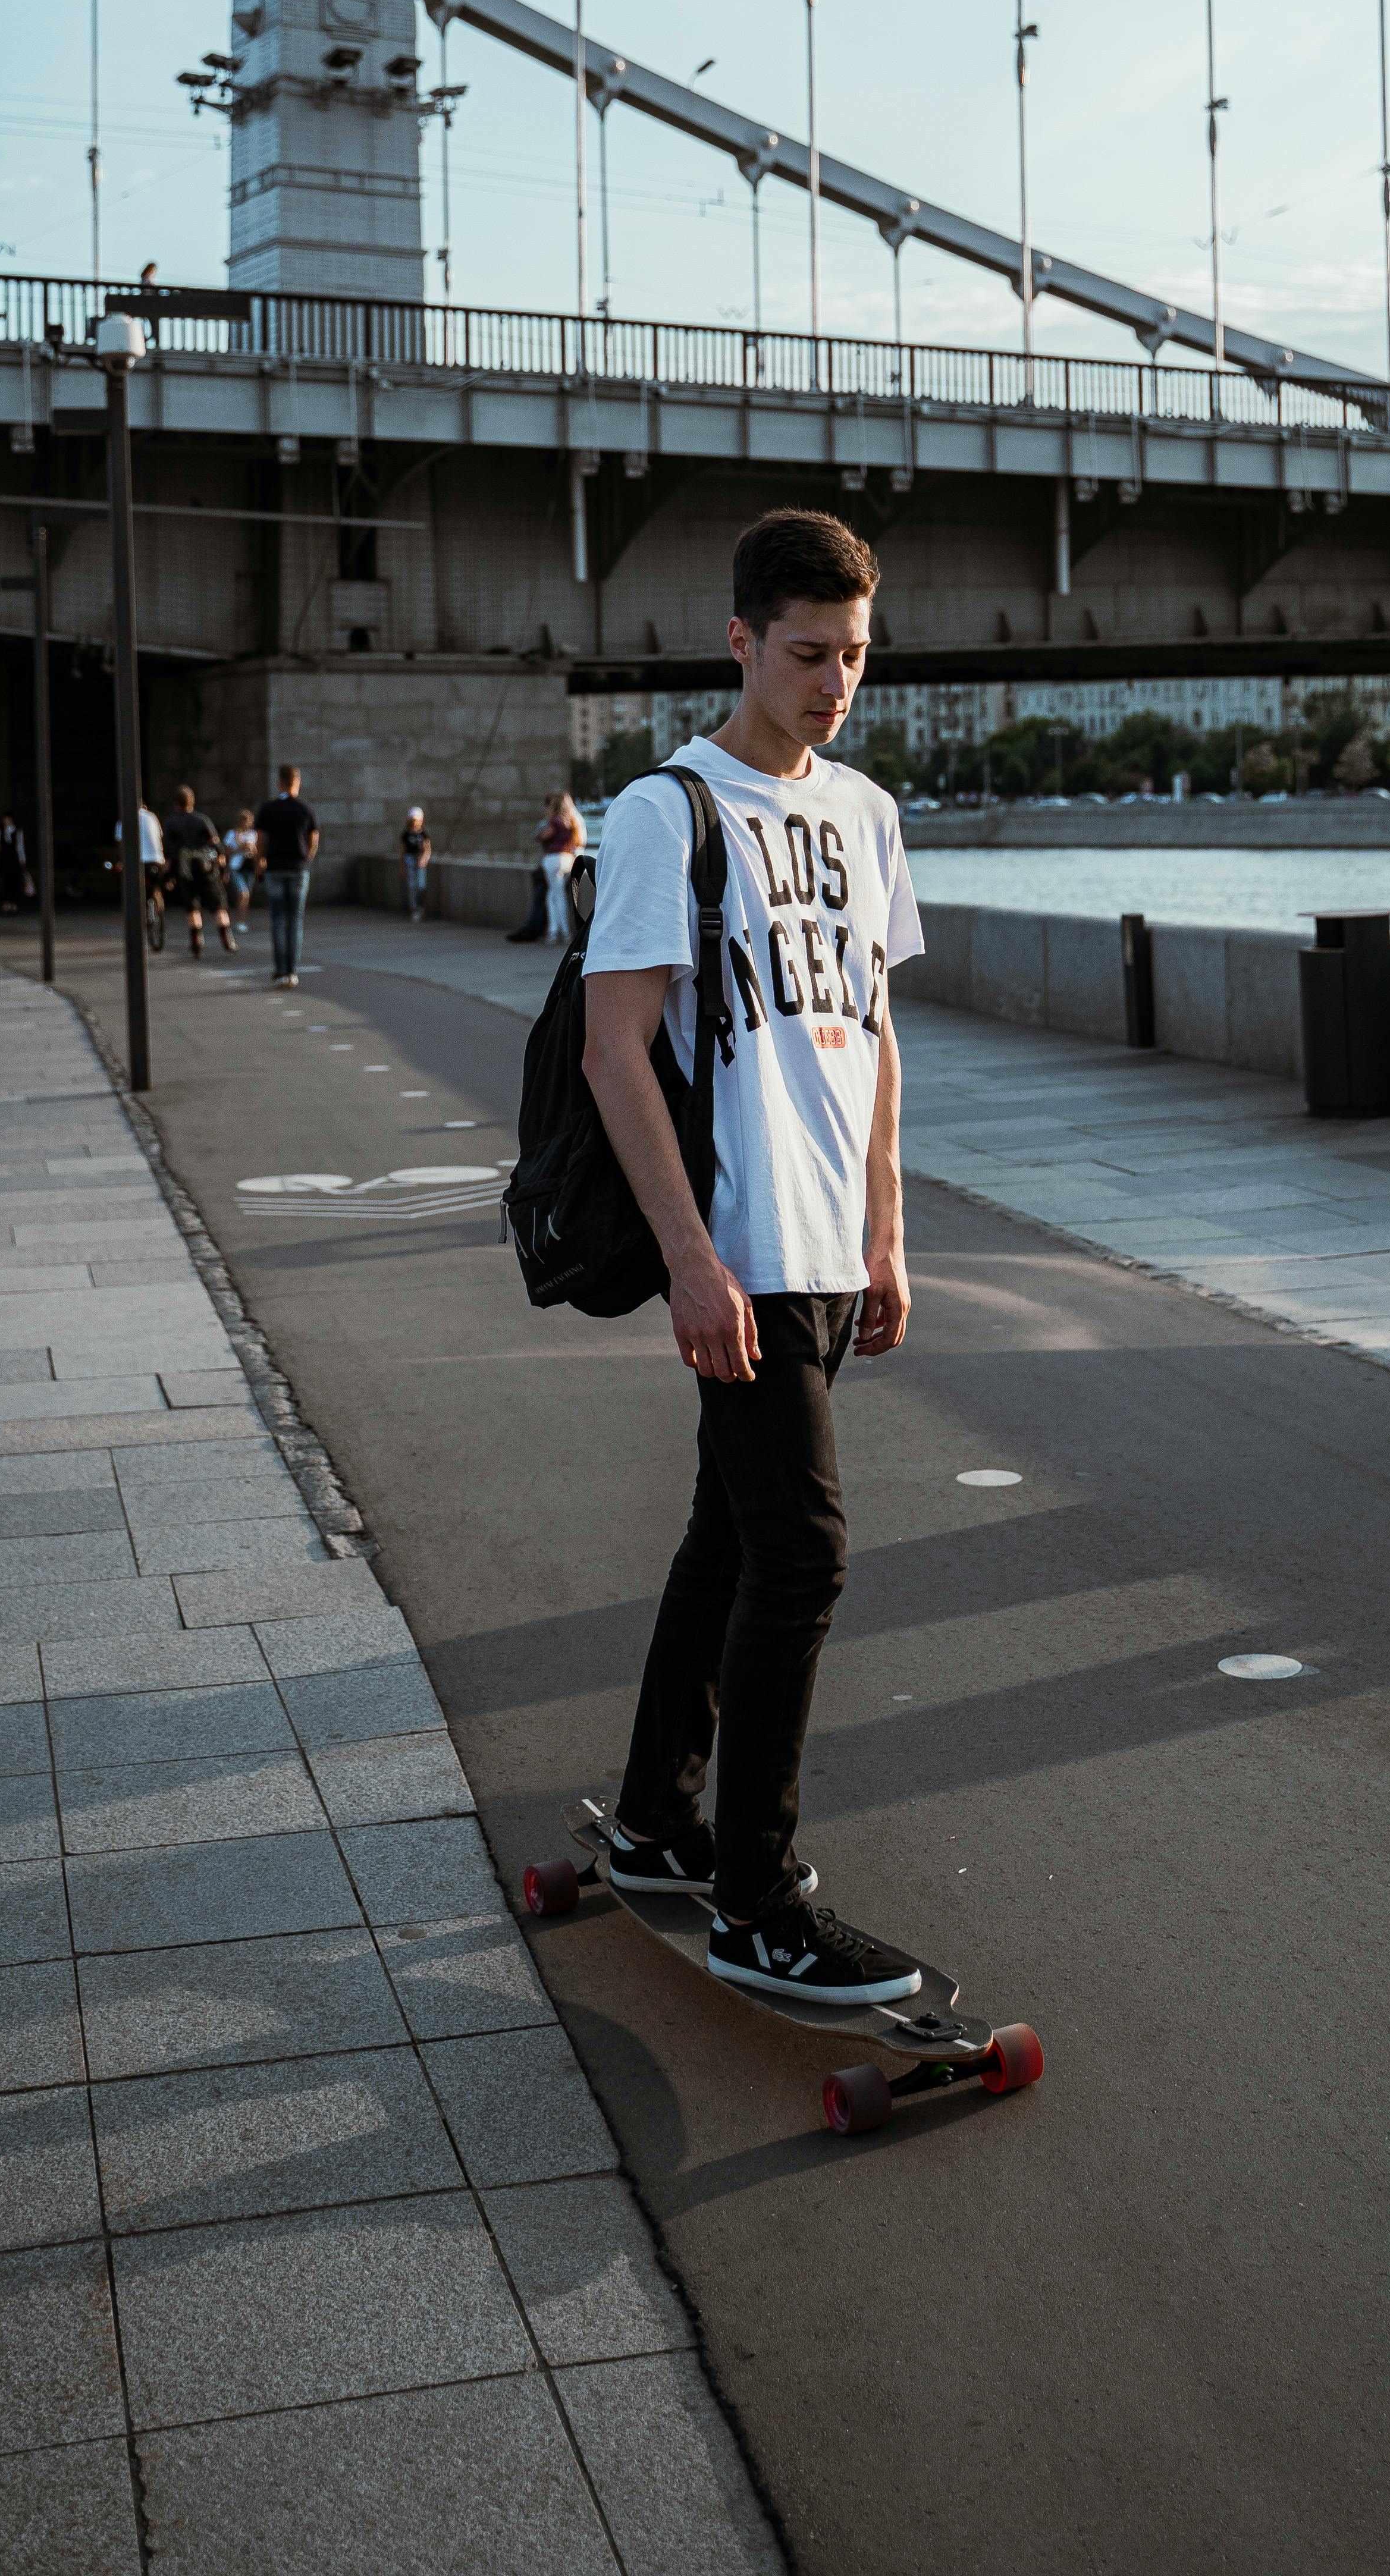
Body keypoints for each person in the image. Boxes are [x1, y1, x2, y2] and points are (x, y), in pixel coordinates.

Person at [583, 506, 925, 2008]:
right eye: (805, 653)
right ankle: (757, 1895)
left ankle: (660, 1818)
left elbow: (873, 1031)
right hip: (740, 1248)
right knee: (802, 1554)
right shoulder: (669, 810)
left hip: (828, 1249)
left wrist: (889, 1228)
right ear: (738, 641)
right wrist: (689, 1262)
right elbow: (613, 1051)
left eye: (853, 654)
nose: (832, 681)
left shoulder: (863, 810)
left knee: (729, 1539)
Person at [253, 765, 319, 986]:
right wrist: (306, 858)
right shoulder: (305, 809)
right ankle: (293, 970)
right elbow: (314, 838)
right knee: (296, 920)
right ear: (297, 782)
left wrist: (260, 860)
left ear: (280, 782)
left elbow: (260, 839)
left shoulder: (268, 809)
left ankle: (280, 969)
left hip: (275, 868)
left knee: (278, 919)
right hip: (298, 868)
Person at [164, 784, 236, 960]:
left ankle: (197, 944)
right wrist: (223, 870)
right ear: (192, 802)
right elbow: (217, 845)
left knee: (192, 907)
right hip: (207, 868)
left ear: (176, 804)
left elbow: (169, 852)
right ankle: (227, 939)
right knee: (218, 905)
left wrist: (169, 876)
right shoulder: (202, 820)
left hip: (185, 869)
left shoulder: (171, 822)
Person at [540, 786, 586, 945]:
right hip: (568, 860)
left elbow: (543, 836)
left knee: (555, 895)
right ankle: (559, 930)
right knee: (555, 894)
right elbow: (579, 842)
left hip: (554, 859)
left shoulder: (555, 822)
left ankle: (560, 932)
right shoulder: (573, 821)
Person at [115, 800, 166, 923]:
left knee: (135, 888)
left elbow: (120, 844)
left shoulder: (124, 819)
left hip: (138, 862)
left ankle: (139, 914)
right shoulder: (152, 816)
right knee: (156, 888)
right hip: (157, 861)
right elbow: (160, 837)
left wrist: (120, 861)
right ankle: (160, 917)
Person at [224, 808, 258, 930]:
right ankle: (240, 922)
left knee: (247, 895)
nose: (248, 824)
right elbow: (227, 852)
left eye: (249, 821)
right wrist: (241, 848)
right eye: (245, 821)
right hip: (236, 867)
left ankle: (242, 920)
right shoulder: (232, 834)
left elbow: (255, 853)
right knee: (243, 894)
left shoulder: (253, 835)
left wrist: (252, 850)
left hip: (249, 866)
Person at [0, 813, 30, 913]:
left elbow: (20, 847)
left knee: (15, 882)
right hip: (4, 860)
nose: (6, 821)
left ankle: (14, 903)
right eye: (4, 819)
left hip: (15, 860)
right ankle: (6, 902)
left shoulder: (17, 831)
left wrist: (22, 861)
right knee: (5, 882)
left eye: (8, 819)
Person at [400, 802, 432, 923]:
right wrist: (402, 865)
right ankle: (414, 910)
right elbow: (403, 851)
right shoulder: (406, 834)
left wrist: (424, 859)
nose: (415, 823)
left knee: (421, 885)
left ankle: (421, 907)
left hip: (419, 860)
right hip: (410, 859)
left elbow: (427, 849)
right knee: (412, 886)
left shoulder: (423, 834)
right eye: (413, 820)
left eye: (417, 820)